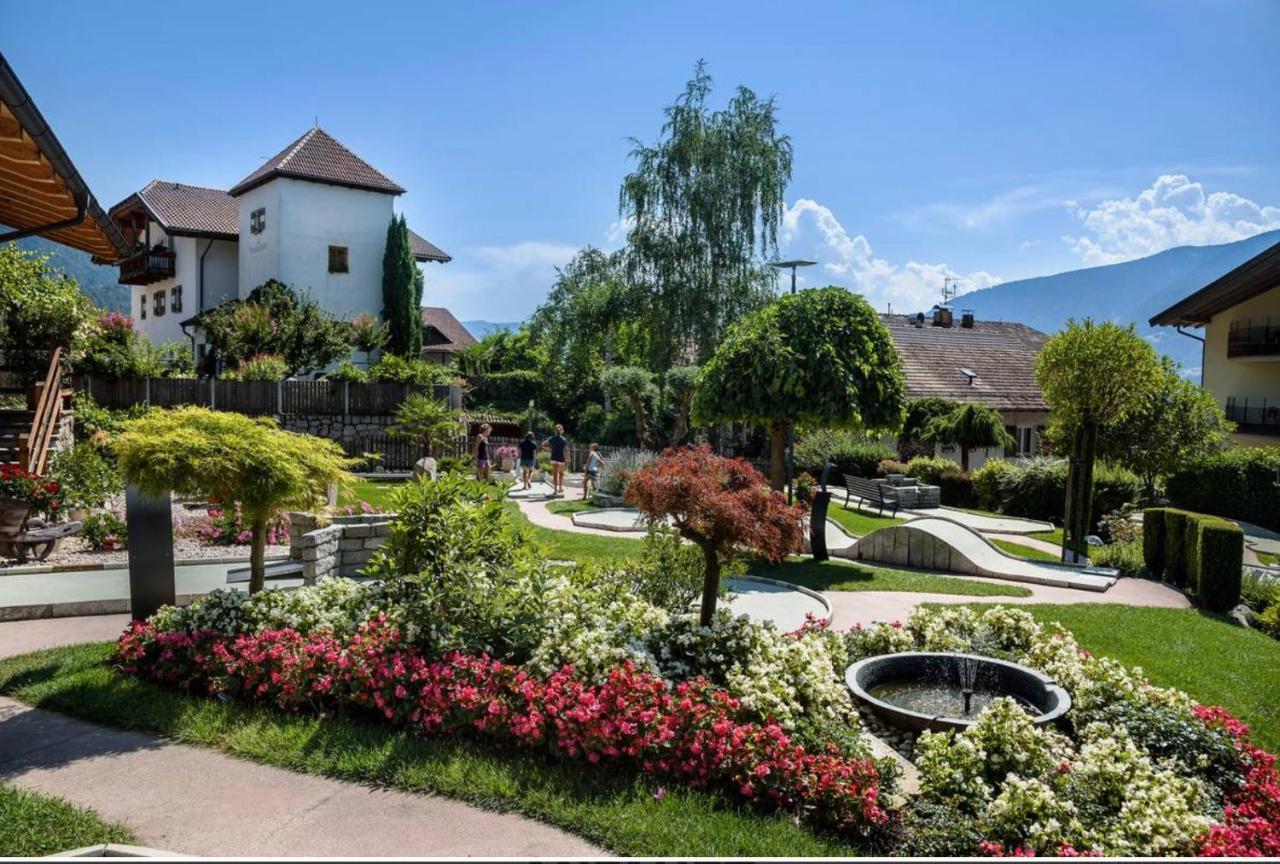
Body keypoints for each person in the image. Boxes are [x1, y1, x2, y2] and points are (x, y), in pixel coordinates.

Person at [542, 423, 569, 497]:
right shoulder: (563, 439)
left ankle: (555, 490)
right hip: (561, 459)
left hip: (553, 458)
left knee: (554, 475)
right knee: (560, 474)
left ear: (555, 431)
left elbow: (543, 444)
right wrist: (568, 458)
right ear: (562, 431)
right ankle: (560, 488)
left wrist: (549, 450)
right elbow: (566, 450)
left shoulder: (551, 438)